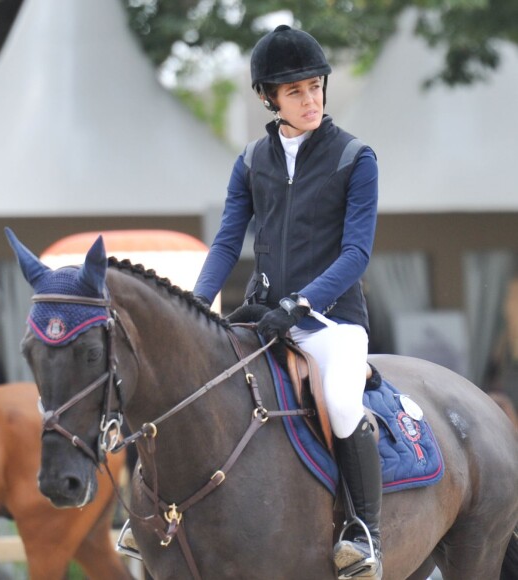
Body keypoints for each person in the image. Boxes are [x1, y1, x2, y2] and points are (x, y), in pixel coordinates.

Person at [193, 24, 381, 578]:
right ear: (268, 98)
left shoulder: (355, 157)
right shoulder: (251, 161)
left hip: (331, 322)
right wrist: (197, 301)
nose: (311, 100)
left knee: (344, 403)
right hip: (265, 317)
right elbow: (229, 240)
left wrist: (300, 305)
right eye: (295, 91)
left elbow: (356, 254)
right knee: (196, 381)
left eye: (316, 87)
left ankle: (364, 531)